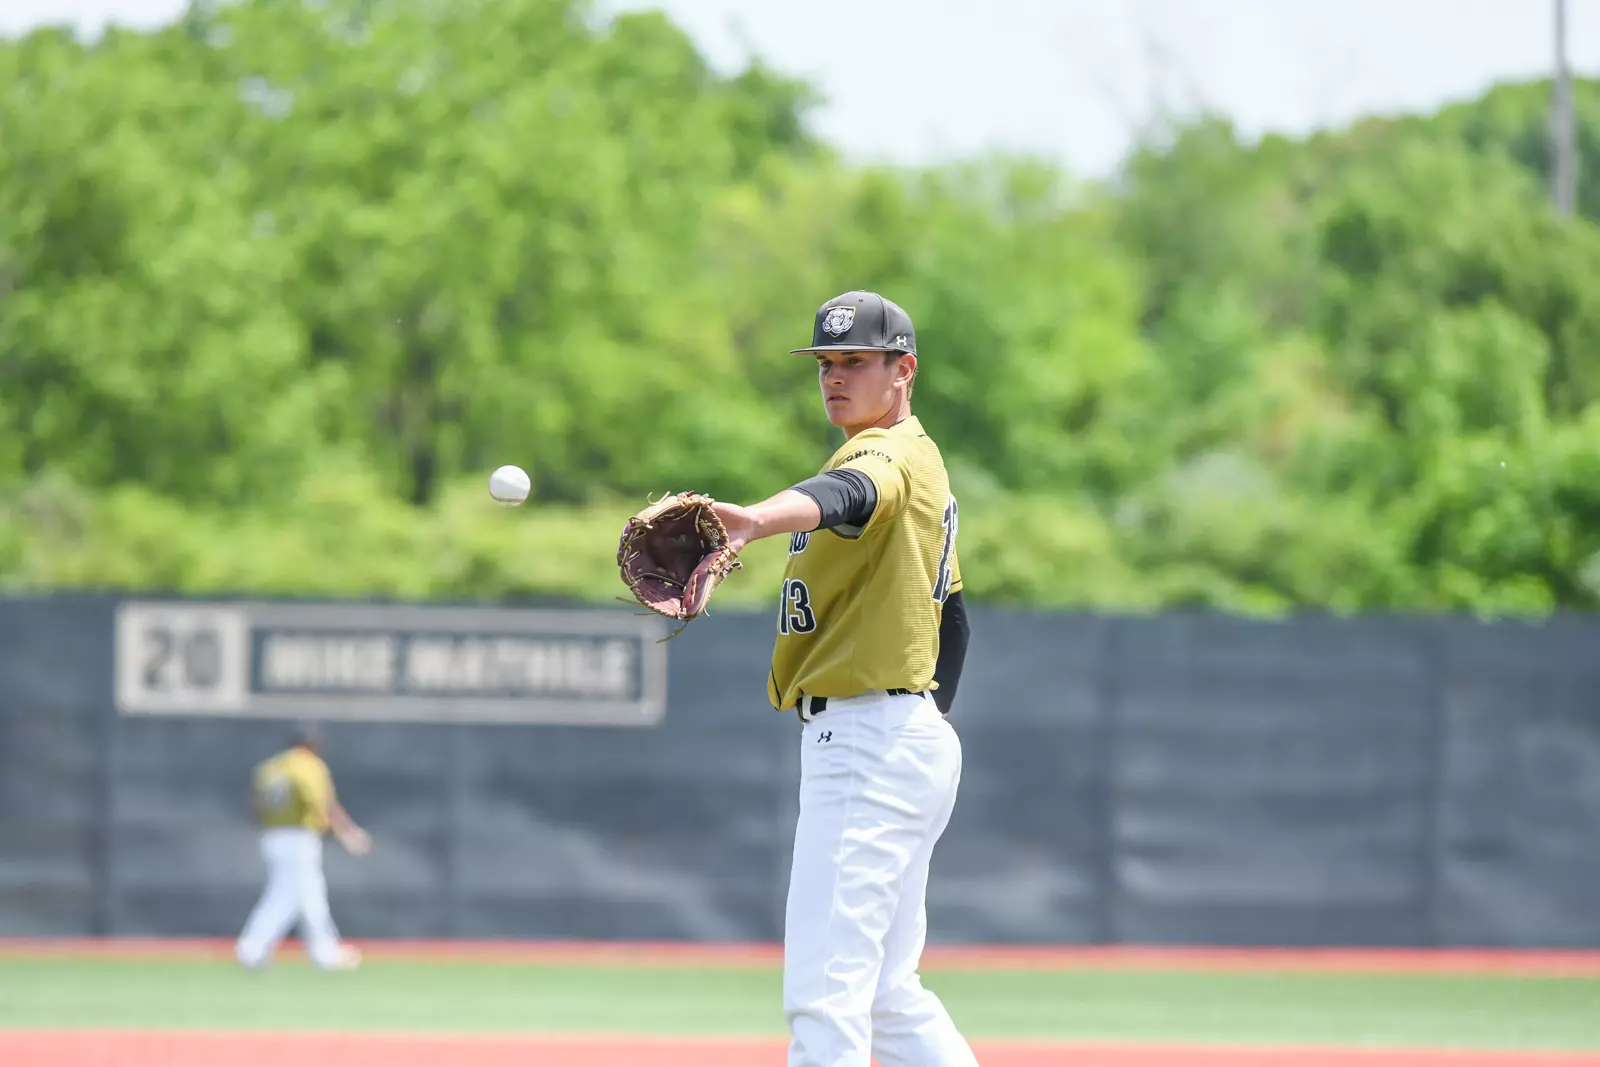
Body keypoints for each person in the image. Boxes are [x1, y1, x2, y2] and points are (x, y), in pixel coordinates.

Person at [710, 290, 977, 1067]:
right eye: (827, 363)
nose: (835, 376)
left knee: (826, 996)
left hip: (868, 736)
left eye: (855, 361)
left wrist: (757, 519)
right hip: (898, 733)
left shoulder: (886, 456)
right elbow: (952, 620)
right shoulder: (921, 460)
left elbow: (850, 496)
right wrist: (920, 724)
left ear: (904, 369)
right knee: (888, 997)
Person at [234, 723, 370, 971]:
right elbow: (323, 805)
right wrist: (347, 833)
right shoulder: (309, 766)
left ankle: (260, 949)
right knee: (299, 895)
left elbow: (255, 808)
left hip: (273, 836)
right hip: (299, 838)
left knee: (298, 896)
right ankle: (257, 948)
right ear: (311, 745)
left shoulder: (270, 768)